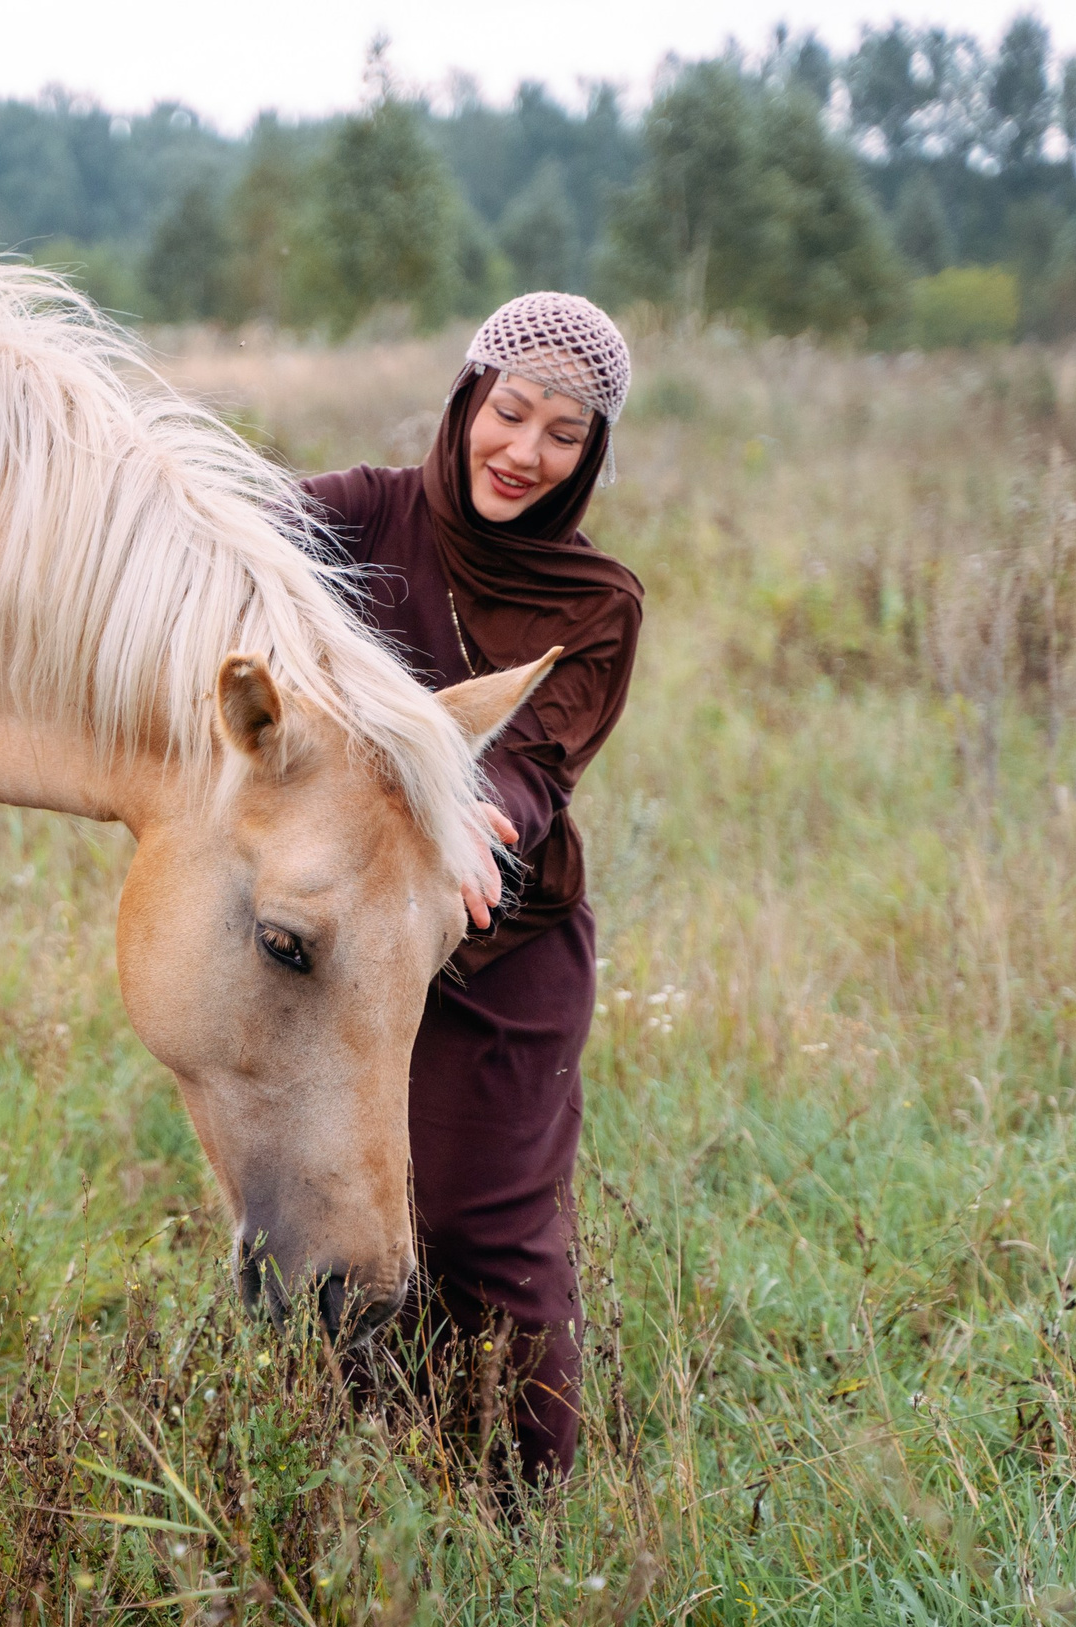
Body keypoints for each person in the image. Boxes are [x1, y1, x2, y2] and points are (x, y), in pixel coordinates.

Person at [301, 293, 643, 1484]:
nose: (524, 452)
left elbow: (532, 765)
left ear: (589, 452)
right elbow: (205, 536)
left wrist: (467, 826)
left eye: (563, 433)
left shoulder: (597, 601)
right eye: (511, 412)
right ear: (466, 400)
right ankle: (370, 1488)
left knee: (482, 1231)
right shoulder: (357, 514)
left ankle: (522, 1517)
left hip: (502, 945)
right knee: (347, 1228)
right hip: (346, 939)